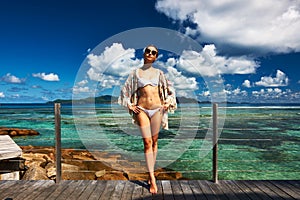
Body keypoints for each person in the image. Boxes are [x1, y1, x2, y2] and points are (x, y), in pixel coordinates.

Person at [118, 45, 177, 194]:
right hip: (142, 110)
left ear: (156, 56)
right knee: (147, 142)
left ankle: (152, 174)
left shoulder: (159, 73)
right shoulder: (135, 73)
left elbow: (171, 91)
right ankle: (152, 177)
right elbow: (124, 92)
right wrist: (130, 105)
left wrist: (167, 103)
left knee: (155, 142)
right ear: (143, 54)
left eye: (154, 52)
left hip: (157, 109)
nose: (150, 53)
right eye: (148, 51)